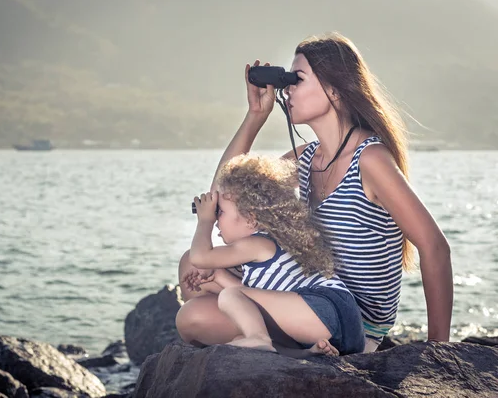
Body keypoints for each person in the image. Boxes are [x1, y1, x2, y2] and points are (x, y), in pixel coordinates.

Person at [176, 32, 453, 353]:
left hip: (349, 318)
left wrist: (437, 349)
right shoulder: (307, 157)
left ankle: (288, 344)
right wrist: (255, 117)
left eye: (298, 79)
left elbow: (434, 247)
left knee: (193, 317)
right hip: (304, 291)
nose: (288, 88)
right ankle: (293, 348)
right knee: (191, 266)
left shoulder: (370, 159)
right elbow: (225, 195)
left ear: (334, 89)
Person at [187, 154, 365, 356]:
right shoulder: (271, 245)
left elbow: (200, 257)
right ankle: (307, 354)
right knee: (241, 334)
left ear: (250, 219)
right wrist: (217, 276)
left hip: (323, 308)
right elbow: (250, 299)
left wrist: (204, 221)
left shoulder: (257, 243)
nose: (216, 220)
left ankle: (258, 338)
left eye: (220, 212)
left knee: (233, 301)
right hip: (346, 328)